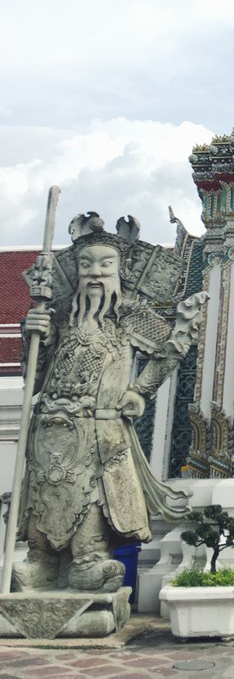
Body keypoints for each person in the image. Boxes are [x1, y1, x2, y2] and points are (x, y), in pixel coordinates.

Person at [13, 212, 207, 593]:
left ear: (121, 269)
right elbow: (32, 380)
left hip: (99, 427)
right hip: (50, 426)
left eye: (106, 264)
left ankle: (88, 559)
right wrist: (31, 335)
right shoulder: (57, 318)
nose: (95, 273)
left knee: (93, 496)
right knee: (43, 495)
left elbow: (171, 349)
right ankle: (42, 561)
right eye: (86, 265)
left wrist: (139, 390)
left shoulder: (129, 316)